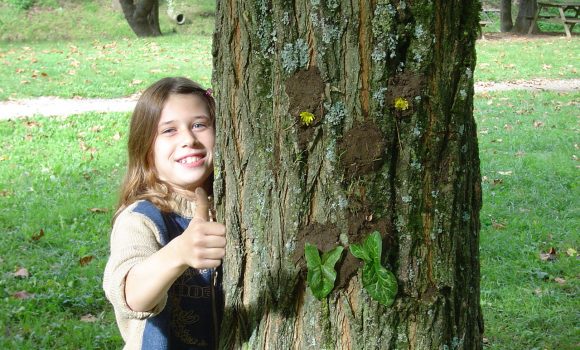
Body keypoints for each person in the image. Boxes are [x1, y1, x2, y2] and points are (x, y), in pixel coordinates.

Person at [103, 77, 226, 350]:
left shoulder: (233, 206)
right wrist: (179, 251)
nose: (189, 139)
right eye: (169, 130)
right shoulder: (140, 219)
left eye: (199, 125)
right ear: (146, 149)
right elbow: (130, 295)